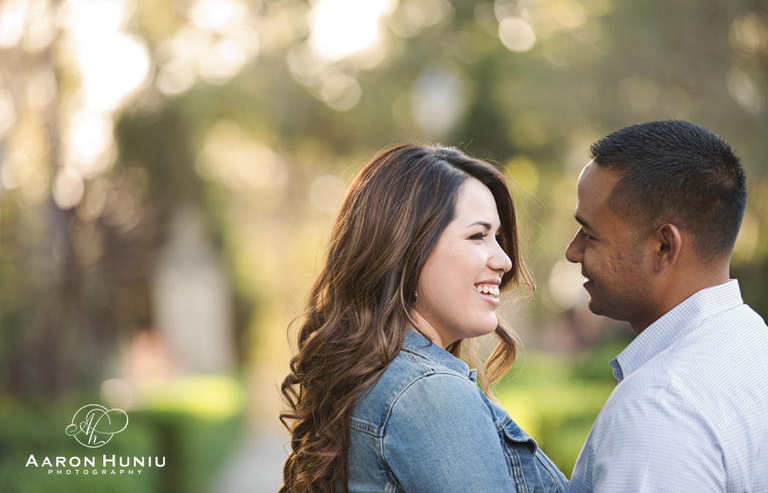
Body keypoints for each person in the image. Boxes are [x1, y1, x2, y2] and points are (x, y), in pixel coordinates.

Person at [280, 144, 569, 492]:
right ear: (405, 251)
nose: (504, 260)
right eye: (478, 236)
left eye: (498, 237)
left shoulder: (383, 377)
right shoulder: (427, 391)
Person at [565, 120, 768, 492]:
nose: (573, 251)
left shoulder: (659, 408)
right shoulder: (753, 343)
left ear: (663, 247)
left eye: (590, 234)